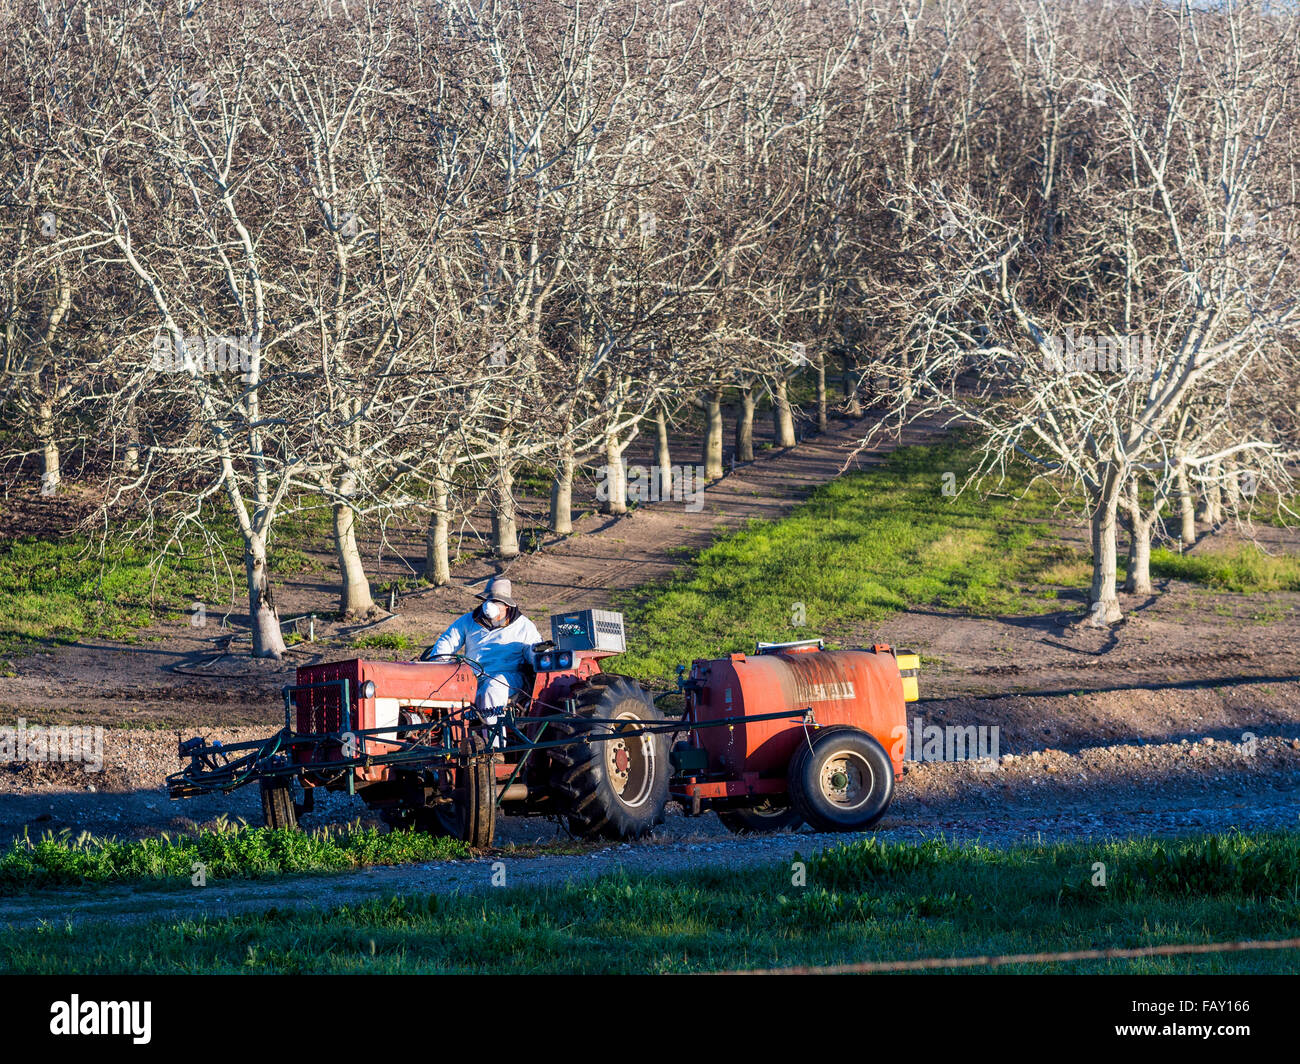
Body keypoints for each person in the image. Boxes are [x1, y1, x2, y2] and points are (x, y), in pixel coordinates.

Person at [426, 577, 541, 744]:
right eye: (488, 599)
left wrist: (540, 655)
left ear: (507, 605)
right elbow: (448, 641)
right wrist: (439, 662)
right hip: (472, 676)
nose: (489, 604)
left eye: (495, 601)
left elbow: (534, 651)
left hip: (508, 676)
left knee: (492, 691)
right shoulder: (468, 620)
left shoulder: (524, 626)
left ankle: (495, 748)